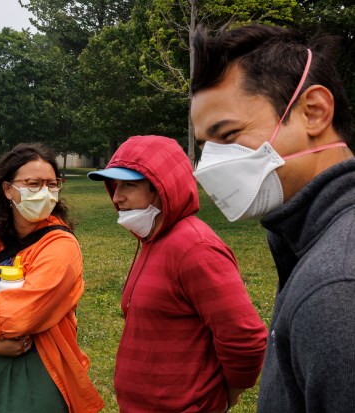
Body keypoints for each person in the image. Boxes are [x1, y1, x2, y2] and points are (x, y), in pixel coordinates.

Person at [190, 24, 355, 412]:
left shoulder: (338, 286)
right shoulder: (313, 242)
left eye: (228, 135)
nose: (209, 166)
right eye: (206, 146)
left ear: (314, 111)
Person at [87, 135, 267, 413]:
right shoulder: (152, 238)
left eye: (129, 185)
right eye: (114, 185)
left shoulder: (195, 248)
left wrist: (226, 395)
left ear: (160, 189)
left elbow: (245, 337)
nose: (117, 195)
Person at [0, 143, 104, 413]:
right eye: (33, 183)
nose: (43, 192)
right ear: (8, 189)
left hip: (37, 365)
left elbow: (19, 318)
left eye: (51, 184)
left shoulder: (61, 246)